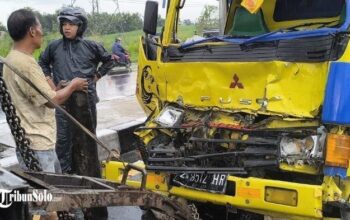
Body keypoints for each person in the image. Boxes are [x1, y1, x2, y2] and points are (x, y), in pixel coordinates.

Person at [3, 9, 88, 220]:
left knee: (52, 194)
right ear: (32, 31)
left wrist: (57, 87)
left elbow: (37, 95)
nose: (43, 32)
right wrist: (73, 86)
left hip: (33, 142)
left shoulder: (12, 58)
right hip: (38, 144)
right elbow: (52, 102)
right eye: (40, 27)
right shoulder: (27, 64)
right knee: (48, 202)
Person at [39, 7, 115, 220]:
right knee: (63, 144)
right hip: (63, 103)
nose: (67, 27)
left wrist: (96, 77)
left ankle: (92, 190)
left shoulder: (91, 45)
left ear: (80, 26)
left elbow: (109, 60)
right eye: (64, 24)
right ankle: (66, 198)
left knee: (87, 143)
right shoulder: (53, 46)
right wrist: (51, 83)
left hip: (86, 103)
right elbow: (42, 63)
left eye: (71, 24)